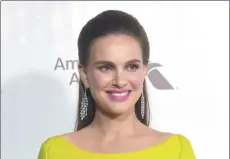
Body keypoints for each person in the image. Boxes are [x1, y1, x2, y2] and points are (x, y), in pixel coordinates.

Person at [37, 10, 196, 159]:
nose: (120, 81)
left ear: (144, 71)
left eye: (131, 66)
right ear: (84, 75)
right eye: (105, 68)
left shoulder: (177, 150)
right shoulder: (54, 151)